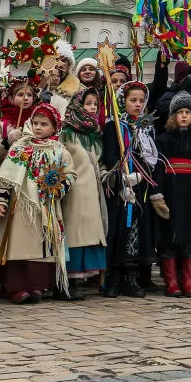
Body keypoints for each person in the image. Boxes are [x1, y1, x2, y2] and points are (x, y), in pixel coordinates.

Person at [0, 99, 73, 304]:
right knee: (17, 244)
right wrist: (0, 200)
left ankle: (36, 285)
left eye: (44, 124)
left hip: (45, 205)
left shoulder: (59, 150)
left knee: (41, 245)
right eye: (35, 122)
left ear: (54, 127)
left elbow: (70, 174)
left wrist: (59, 187)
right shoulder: (20, 147)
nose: (38, 127)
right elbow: (6, 175)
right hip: (19, 204)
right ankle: (15, 286)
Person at [101, 81, 162, 298]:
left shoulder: (147, 128)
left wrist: (141, 175)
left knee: (136, 229)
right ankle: (113, 277)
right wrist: (120, 179)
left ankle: (131, 276)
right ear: (122, 101)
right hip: (120, 187)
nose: (137, 104)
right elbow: (109, 155)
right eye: (132, 100)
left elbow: (152, 157)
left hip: (139, 186)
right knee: (119, 229)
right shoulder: (114, 126)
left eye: (141, 100)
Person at [154, 90, 191, 297]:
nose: (184, 116)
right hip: (171, 191)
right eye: (180, 112)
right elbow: (158, 169)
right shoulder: (163, 140)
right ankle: (171, 281)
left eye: (188, 112)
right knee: (169, 238)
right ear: (173, 116)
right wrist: (158, 195)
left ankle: (189, 281)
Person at [59, 87, 107, 300]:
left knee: (89, 234)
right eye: (88, 103)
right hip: (75, 192)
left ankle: (82, 279)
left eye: (95, 104)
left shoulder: (95, 133)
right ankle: (67, 281)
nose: (92, 108)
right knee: (74, 234)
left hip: (92, 192)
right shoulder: (67, 132)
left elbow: (98, 160)